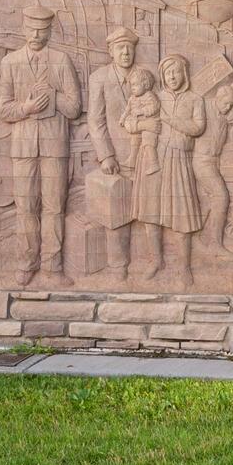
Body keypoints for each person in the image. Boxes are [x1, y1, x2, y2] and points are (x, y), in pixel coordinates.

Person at [0, 5, 82, 287]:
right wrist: (27, 107)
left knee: (55, 208)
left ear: (49, 31)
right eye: (31, 28)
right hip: (23, 148)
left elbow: (74, 108)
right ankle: (26, 264)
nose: (35, 34)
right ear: (23, 28)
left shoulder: (61, 61)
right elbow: (4, 111)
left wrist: (54, 97)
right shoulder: (10, 63)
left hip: (54, 146)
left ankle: (53, 268)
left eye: (41, 29)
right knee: (25, 208)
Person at [132, 54, 205, 287]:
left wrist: (172, 121)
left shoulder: (195, 99)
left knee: (182, 214)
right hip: (154, 159)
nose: (172, 76)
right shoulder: (154, 96)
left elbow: (198, 127)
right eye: (168, 73)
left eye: (176, 71)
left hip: (179, 158)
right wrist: (141, 124)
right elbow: (128, 120)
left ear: (184, 73)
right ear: (162, 77)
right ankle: (156, 261)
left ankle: (184, 267)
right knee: (151, 213)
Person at [85, 26, 142, 280]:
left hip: (145, 155)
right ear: (111, 51)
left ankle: (146, 261)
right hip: (116, 158)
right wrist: (106, 155)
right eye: (120, 48)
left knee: (146, 209)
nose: (126, 52)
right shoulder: (99, 78)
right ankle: (118, 266)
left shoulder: (144, 77)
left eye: (129, 48)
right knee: (116, 209)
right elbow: (95, 120)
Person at [192, 83, 233, 261]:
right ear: (217, 98)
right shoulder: (204, 107)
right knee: (221, 197)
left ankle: (204, 237)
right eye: (226, 103)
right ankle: (215, 244)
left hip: (214, 161)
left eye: (231, 104)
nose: (228, 107)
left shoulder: (225, 115)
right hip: (202, 161)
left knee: (209, 201)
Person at [119, 67, 161, 176]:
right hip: (138, 124)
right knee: (134, 139)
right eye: (132, 85)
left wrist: (142, 111)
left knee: (148, 140)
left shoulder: (149, 96)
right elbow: (127, 110)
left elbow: (155, 107)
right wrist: (123, 118)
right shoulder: (132, 98)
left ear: (146, 85)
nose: (133, 88)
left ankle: (154, 163)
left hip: (151, 123)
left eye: (136, 85)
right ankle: (132, 159)